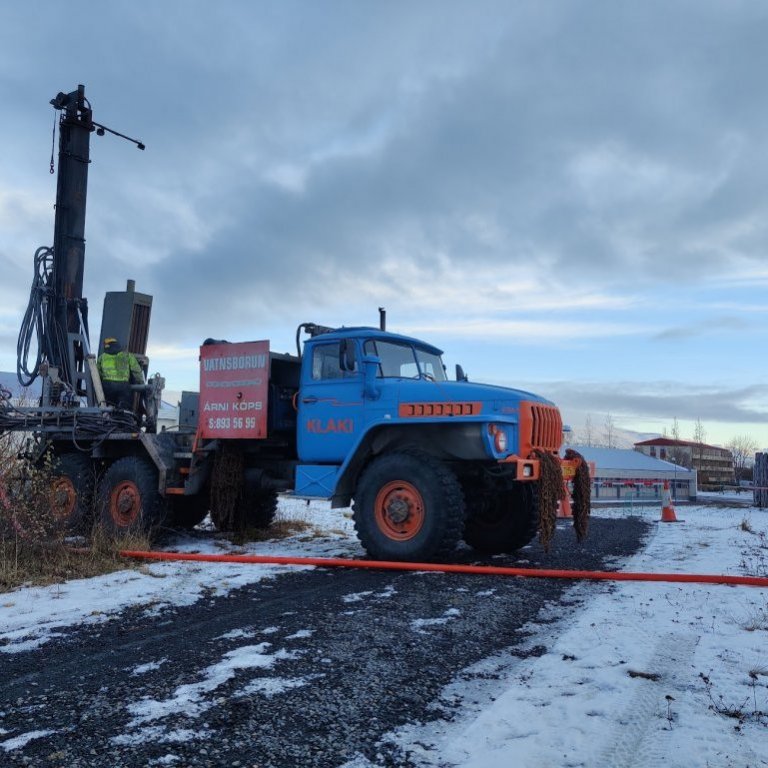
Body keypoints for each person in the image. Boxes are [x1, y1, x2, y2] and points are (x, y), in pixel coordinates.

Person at [97, 337, 144, 408]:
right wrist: (141, 382)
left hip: (107, 386)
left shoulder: (102, 357)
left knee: (108, 407)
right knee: (124, 408)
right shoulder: (127, 356)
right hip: (123, 386)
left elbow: (98, 373)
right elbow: (137, 371)